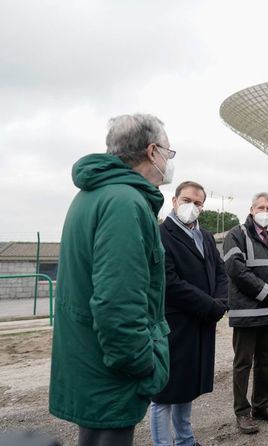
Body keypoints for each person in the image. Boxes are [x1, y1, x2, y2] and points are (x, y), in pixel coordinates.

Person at [49, 114, 174, 446]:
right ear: (152, 151)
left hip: (92, 362)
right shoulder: (124, 203)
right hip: (112, 372)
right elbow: (117, 303)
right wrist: (142, 366)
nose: (168, 162)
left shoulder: (95, 195)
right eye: (168, 154)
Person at [150, 181, 229, 446]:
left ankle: (185, 439)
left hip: (200, 322)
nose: (191, 207)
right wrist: (210, 305)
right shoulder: (161, 234)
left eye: (197, 203)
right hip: (175, 323)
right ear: (174, 201)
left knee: (186, 387)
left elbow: (220, 271)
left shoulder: (205, 236)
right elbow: (169, 282)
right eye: (186, 201)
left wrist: (221, 300)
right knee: (165, 392)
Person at [222, 192, 268, 434]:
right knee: (243, 363)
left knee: (265, 361)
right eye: (260, 207)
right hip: (247, 311)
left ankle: (261, 406)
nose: (264, 211)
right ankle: (242, 413)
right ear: (251, 209)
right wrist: (266, 292)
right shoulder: (237, 234)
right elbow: (235, 268)